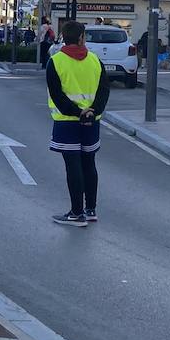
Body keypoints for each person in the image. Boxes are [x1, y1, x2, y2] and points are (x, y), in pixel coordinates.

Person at [46, 20, 110, 227]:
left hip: (67, 122)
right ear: (82, 37)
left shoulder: (55, 62)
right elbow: (103, 91)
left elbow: (57, 95)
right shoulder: (95, 61)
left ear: (64, 37)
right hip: (92, 122)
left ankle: (76, 213)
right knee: (89, 163)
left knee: (73, 166)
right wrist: (93, 112)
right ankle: (91, 209)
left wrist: (77, 112)